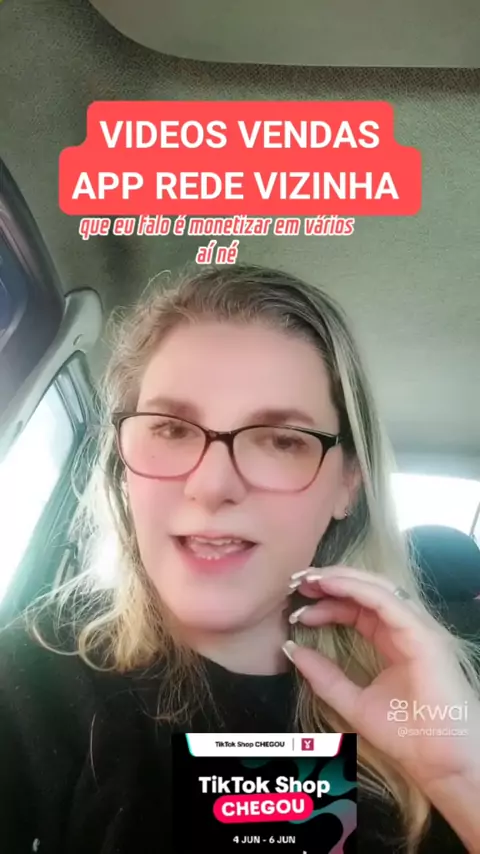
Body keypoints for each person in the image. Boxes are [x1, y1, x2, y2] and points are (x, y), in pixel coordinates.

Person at [0, 262, 479, 854]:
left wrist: (464, 779)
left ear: (347, 485)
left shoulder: (442, 702)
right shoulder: (26, 686)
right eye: (172, 429)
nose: (212, 485)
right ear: (123, 464)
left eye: (281, 440)